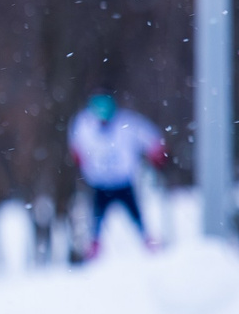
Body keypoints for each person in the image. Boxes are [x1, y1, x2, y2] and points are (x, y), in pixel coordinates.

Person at [68, 92, 167, 257]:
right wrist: (78, 155)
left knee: (136, 216)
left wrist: (157, 151)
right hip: (98, 183)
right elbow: (76, 143)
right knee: (95, 220)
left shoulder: (127, 123)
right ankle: (93, 250)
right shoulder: (84, 124)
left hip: (123, 182)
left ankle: (149, 244)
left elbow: (149, 136)